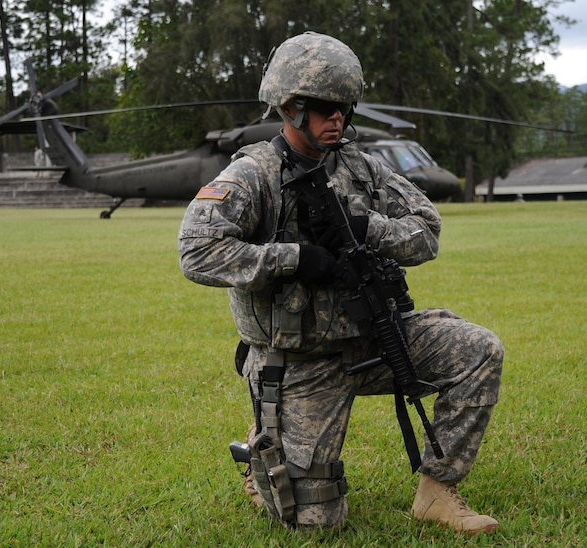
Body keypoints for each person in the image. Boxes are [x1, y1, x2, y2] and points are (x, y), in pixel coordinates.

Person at [178, 32, 503, 533]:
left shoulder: (362, 166)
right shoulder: (252, 175)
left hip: (374, 336)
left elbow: (427, 232)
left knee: (478, 349)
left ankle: (437, 493)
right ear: (289, 108)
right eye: (326, 107)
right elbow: (197, 251)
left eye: (346, 107)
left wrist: (370, 227)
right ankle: (264, 440)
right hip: (301, 362)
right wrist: (292, 259)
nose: (339, 119)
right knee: (316, 524)